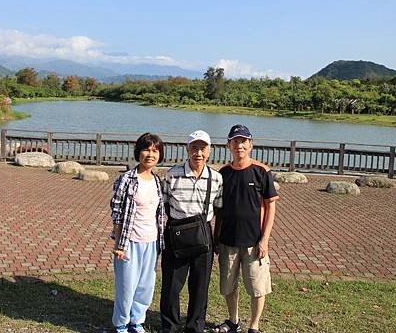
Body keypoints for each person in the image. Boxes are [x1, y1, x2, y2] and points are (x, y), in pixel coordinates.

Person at [213, 125, 279, 333]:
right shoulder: (223, 174)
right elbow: (218, 211)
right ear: (228, 145)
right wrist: (216, 238)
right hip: (228, 241)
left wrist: (265, 240)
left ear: (251, 144)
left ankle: (254, 325)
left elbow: (270, 206)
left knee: (257, 288)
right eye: (235, 141)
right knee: (228, 286)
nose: (239, 145)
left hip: (254, 242)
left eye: (243, 141)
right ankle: (233, 321)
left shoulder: (262, 171)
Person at [160, 130, 224, 333]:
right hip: (177, 232)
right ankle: (170, 326)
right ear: (187, 149)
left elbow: (219, 206)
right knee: (171, 285)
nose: (198, 153)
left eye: (203, 148)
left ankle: (195, 326)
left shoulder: (216, 178)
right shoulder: (172, 174)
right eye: (194, 148)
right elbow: (164, 204)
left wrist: (218, 239)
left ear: (210, 151)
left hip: (203, 234)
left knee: (200, 285)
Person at [110, 132, 166, 333]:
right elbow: (116, 212)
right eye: (146, 149)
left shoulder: (158, 182)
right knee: (126, 286)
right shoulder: (126, 180)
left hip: (152, 241)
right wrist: (118, 244)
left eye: (155, 150)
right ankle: (121, 324)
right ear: (138, 152)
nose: (150, 154)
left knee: (145, 286)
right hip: (129, 241)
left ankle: (137, 321)